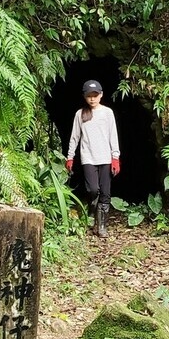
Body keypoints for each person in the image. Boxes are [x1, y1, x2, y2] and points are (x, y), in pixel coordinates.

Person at [65, 80, 120, 238]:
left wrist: (115, 157)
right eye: (89, 96)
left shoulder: (107, 113)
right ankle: (92, 209)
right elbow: (74, 137)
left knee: (105, 193)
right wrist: (70, 157)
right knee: (92, 189)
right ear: (84, 96)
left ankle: (101, 226)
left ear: (101, 95)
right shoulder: (80, 114)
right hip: (88, 157)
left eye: (95, 95)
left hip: (105, 158)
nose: (92, 99)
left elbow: (113, 135)